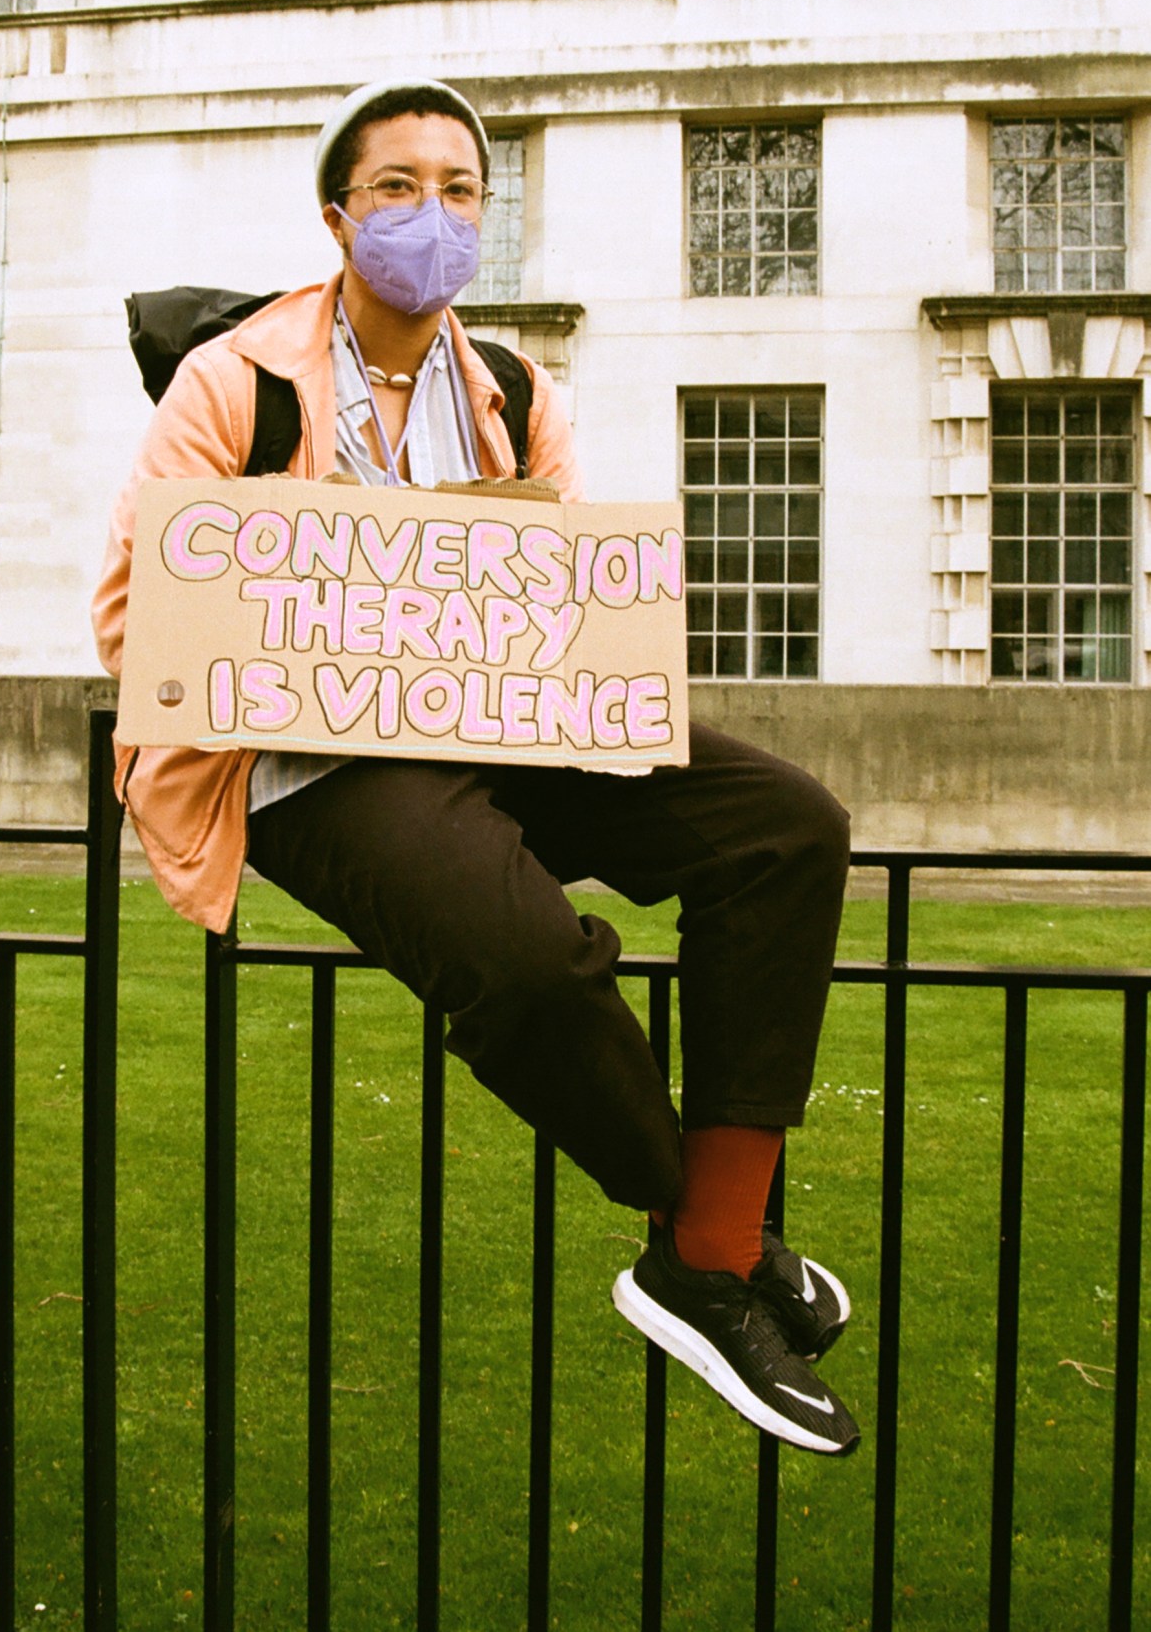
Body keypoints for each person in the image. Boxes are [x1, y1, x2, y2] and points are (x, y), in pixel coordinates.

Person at [94, 77, 859, 1456]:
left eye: (458, 188)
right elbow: (130, 612)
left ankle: (709, 1253)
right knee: (528, 964)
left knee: (784, 825)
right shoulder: (234, 382)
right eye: (395, 187)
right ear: (338, 214)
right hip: (310, 764)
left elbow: (555, 591)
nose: (428, 213)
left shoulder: (512, 387)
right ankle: (717, 1243)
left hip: (495, 729)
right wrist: (317, 598)